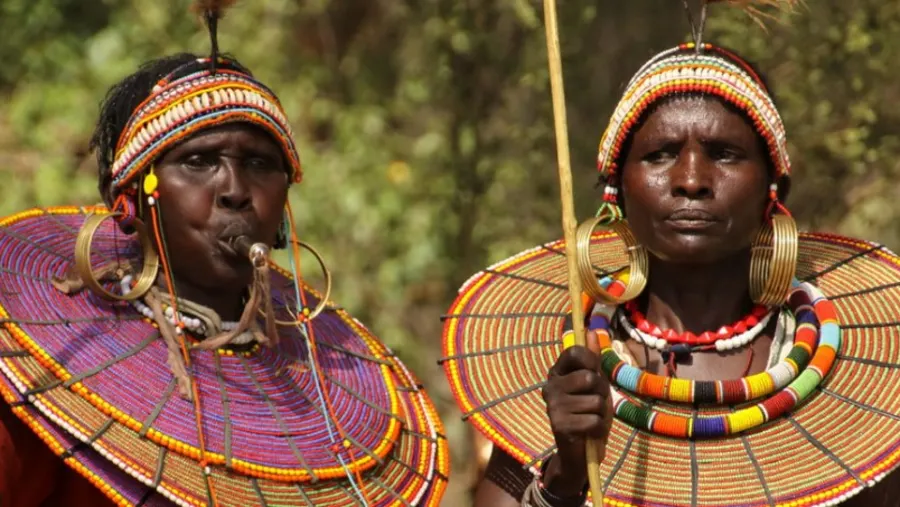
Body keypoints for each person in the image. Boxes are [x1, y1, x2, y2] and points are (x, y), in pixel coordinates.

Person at [440, 8, 900, 507]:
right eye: (659, 155)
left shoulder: (869, 397)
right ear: (617, 187)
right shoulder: (567, 370)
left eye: (724, 153)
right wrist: (566, 473)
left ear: (774, 187)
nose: (691, 180)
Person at [0, 3, 448, 506]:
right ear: (125, 198)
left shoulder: (320, 390)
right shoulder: (43, 378)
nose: (235, 190)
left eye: (259, 163)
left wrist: (554, 481)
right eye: (198, 162)